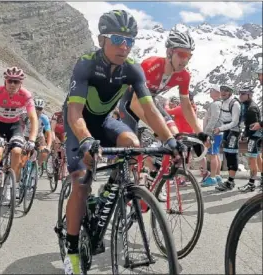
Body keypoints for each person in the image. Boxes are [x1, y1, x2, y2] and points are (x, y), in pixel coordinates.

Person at [62, 10, 184, 274]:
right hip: (79, 124)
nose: (124, 46)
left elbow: (150, 111)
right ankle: (71, 249)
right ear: (101, 39)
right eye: (117, 39)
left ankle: (112, 191)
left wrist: (171, 141)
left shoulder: (132, 69)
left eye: (130, 41)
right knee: (82, 180)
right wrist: (85, 140)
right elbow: (74, 114)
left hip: (104, 121)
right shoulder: (86, 64)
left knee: (131, 141)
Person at [120, 28, 202, 135]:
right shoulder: (151, 65)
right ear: (169, 52)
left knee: (175, 135)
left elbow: (186, 107)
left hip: (150, 101)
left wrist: (200, 133)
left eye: (189, 56)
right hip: (129, 102)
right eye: (182, 55)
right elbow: (135, 104)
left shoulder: (184, 75)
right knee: (133, 144)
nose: (185, 60)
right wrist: (160, 131)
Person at [0, 66, 38, 214]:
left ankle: (9, 186)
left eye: (16, 81)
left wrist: (31, 140)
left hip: (15, 125)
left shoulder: (26, 96)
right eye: (10, 81)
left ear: (21, 83)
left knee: (17, 152)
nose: (12, 84)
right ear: (5, 81)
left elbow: (33, 119)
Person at [214, 85, 241, 191]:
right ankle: (230, 181)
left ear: (230, 92)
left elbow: (235, 122)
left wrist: (220, 128)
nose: (223, 92)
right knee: (227, 154)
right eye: (222, 90)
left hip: (233, 131)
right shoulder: (223, 102)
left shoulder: (235, 104)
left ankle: (230, 182)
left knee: (232, 155)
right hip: (226, 130)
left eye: (226, 91)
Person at [237, 86, 262, 192]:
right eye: (240, 93)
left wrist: (246, 134)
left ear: (249, 95)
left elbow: (254, 126)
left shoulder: (251, 108)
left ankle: (251, 183)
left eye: (243, 94)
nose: (240, 96)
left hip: (254, 135)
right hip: (254, 135)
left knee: (252, 159)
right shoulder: (245, 105)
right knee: (257, 158)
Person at [202, 85, 223, 186]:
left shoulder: (215, 105)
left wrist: (207, 131)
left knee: (213, 155)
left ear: (218, 93)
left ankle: (213, 177)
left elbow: (214, 118)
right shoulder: (221, 103)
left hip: (213, 132)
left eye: (212, 91)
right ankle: (218, 175)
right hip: (219, 132)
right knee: (216, 154)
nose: (210, 92)